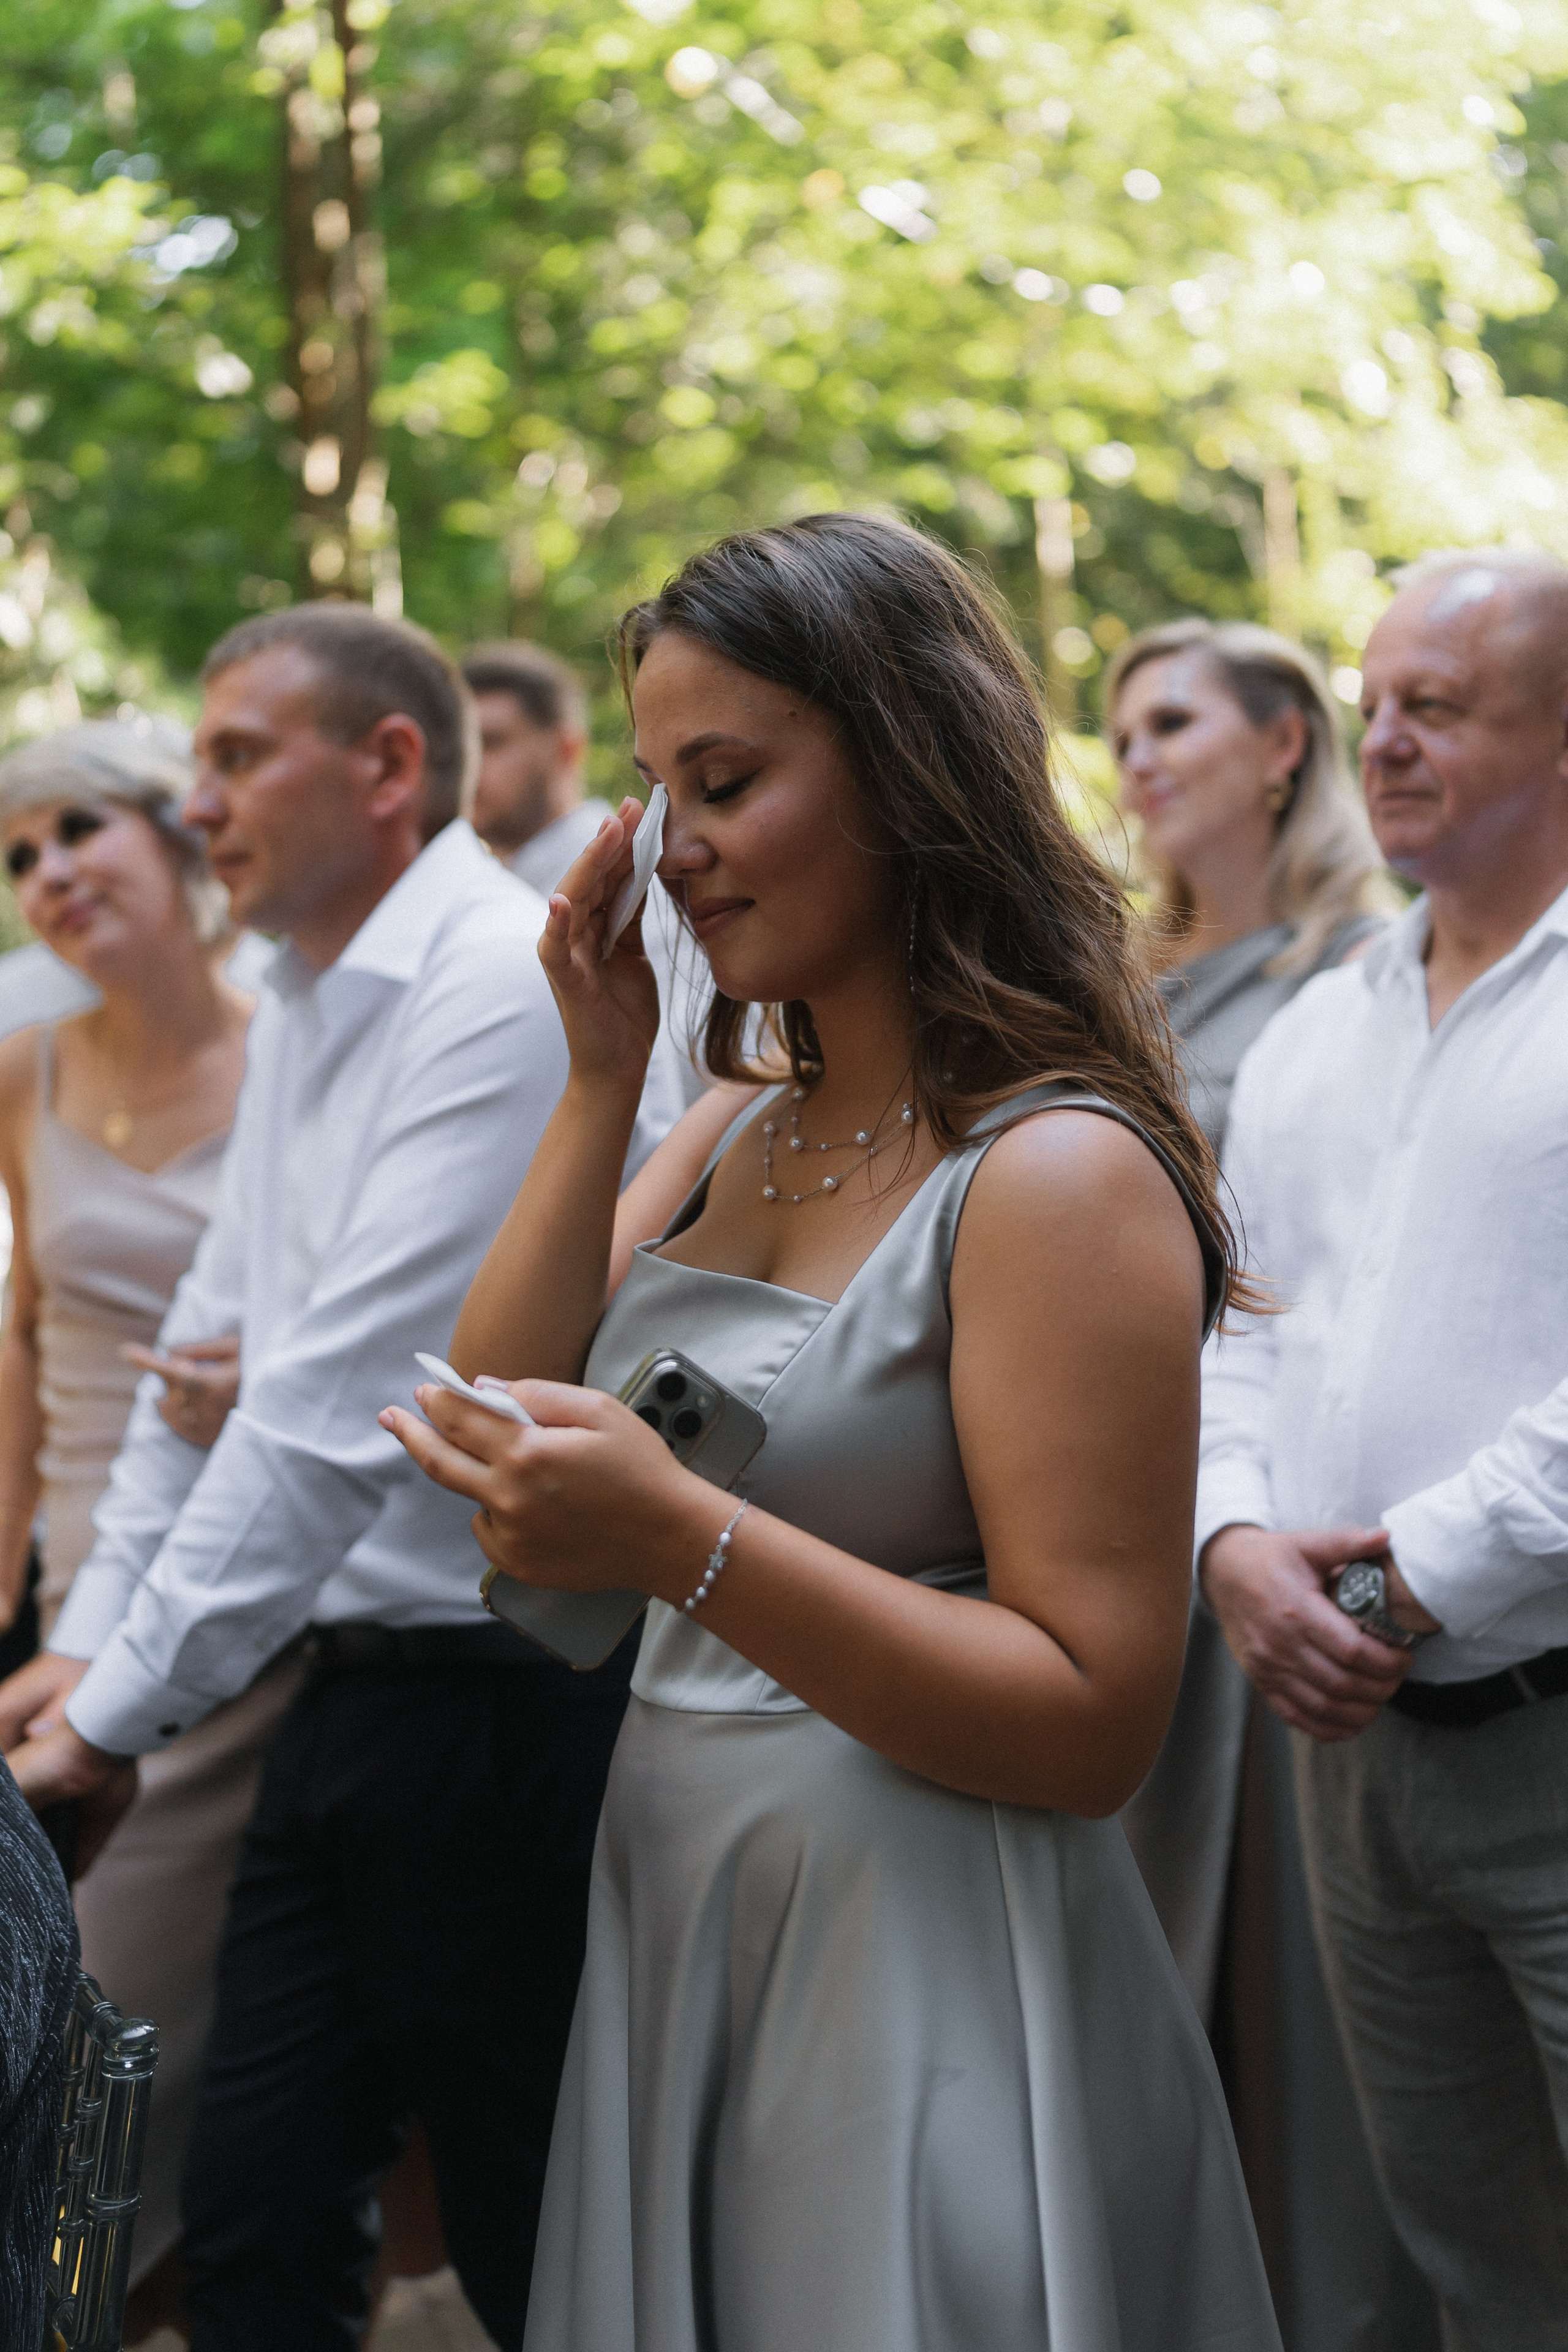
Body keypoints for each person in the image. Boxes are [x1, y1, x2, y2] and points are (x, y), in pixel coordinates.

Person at [385, 514, 1281, 2352]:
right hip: (679, 1896)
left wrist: (683, 1544)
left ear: (905, 764)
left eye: (723, 780)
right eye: (653, 789)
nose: (669, 846)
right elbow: (490, 1436)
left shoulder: (1051, 1171)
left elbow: (1096, 1711)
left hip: (921, 1957)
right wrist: (590, 1077)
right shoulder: (728, 1130)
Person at [0, 603, 684, 2352]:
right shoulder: (304, 986)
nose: (197, 797)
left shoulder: (487, 973)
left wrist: (108, 1717)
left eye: (235, 755)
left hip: (508, 1696)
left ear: (388, 766)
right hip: (340, 1691)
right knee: (255, 2225)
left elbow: (328, 1402)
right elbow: (191, 1378)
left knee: (535, 2234)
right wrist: (81, 1643)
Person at [1199, 548, 1568, 2351]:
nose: (1382, 739)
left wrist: (1404, 1571)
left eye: (1436, 703)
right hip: (1352, 1761)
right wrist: (1230, 1545)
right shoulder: (1312, 1029)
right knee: (1467, 2251)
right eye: (1371, 703)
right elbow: (1237, 1330)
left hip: (1546, 1728)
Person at [1107, 625, 1424, 2346]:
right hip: (1113, 1498)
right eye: (1121, 733)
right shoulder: (1120, 976)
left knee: (1301, 2008)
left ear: (1285, 743)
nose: (1139, 758)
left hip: (1276, 1502)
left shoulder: (1368, 969)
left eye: (1173, 722)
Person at [0, 717, 296, 2304]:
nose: (47, 875)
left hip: (241, 1596)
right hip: (71, 1594)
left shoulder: (293, 1061)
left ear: (185, 847)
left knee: (144, 2040)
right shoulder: (23, 1068)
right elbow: (31, 1331)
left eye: (78, 834)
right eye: (20, 857)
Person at [464, 641, 708, 1101]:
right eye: (462, 747)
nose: (472, 767)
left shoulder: (641, 878)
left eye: (492, 742)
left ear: (566, 749)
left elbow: (688, 1076)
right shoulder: (482, 892)